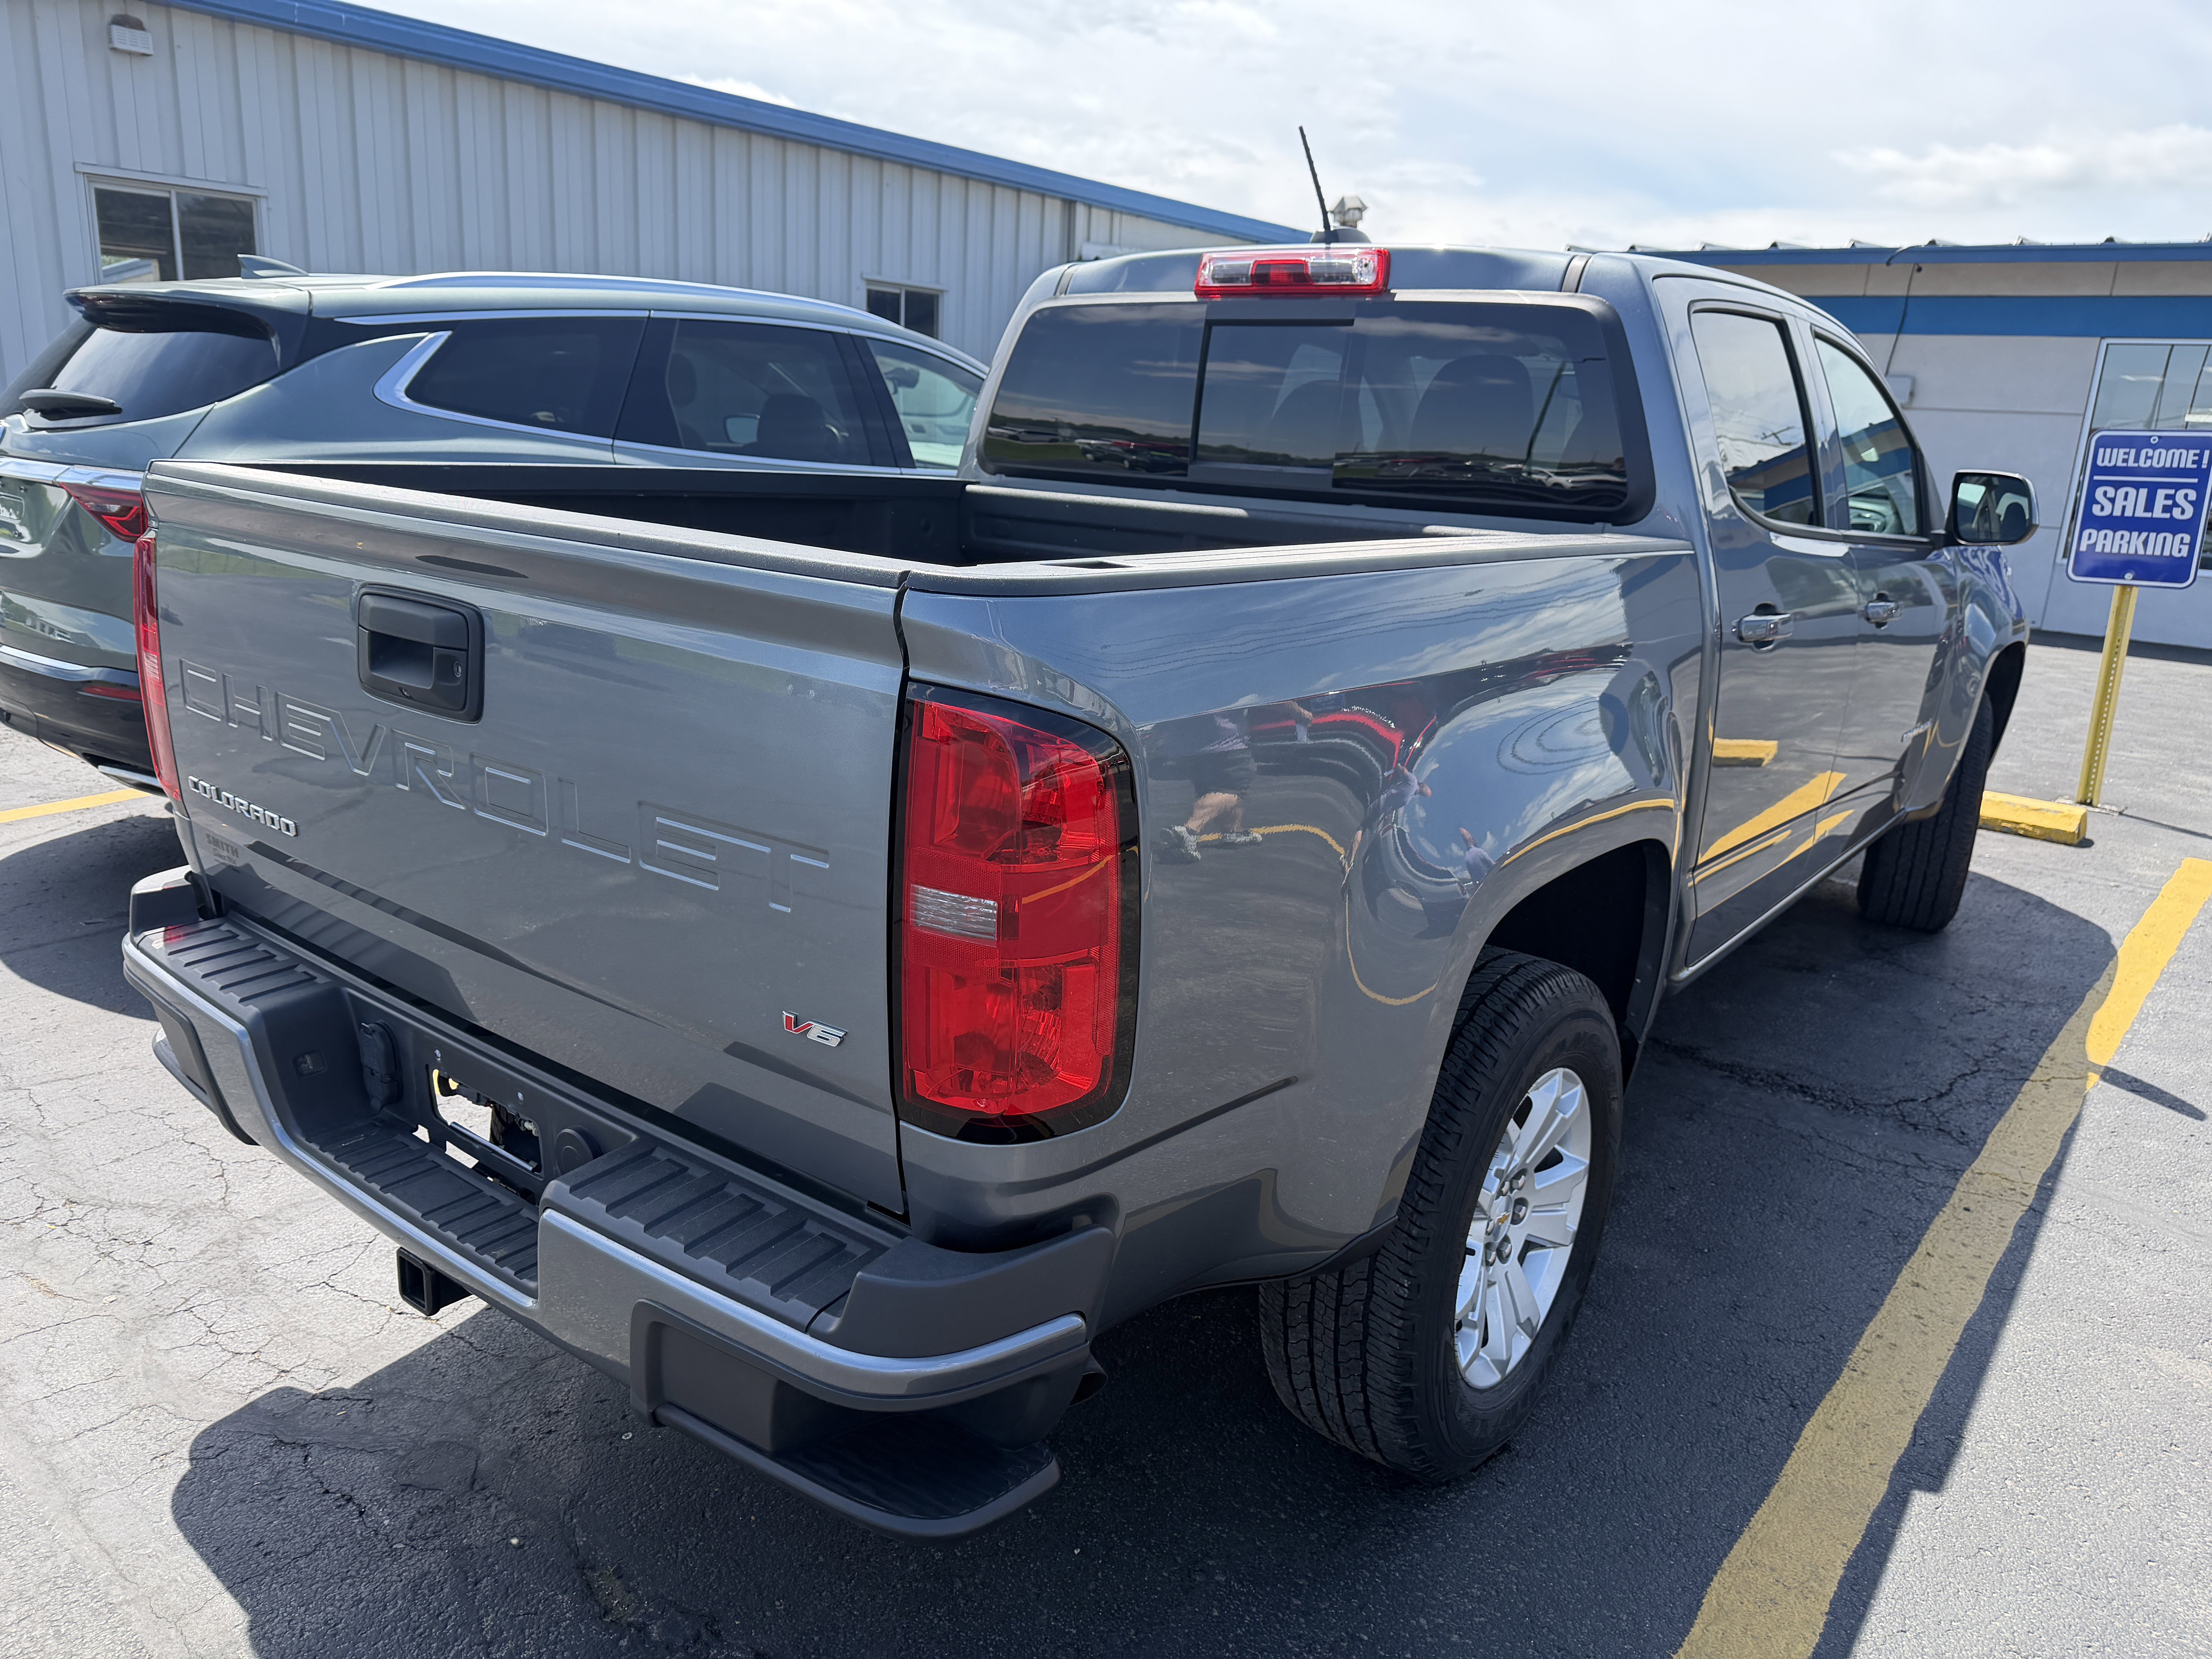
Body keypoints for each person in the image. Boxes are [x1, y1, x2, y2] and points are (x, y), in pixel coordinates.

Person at [1160, 710, 1260, 862]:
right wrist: (1300, 713)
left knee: (1214, 790)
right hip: (1227, 744)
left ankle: (1234, 832)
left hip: (1187, 748)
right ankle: (1190, 831)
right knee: (1235, 791)